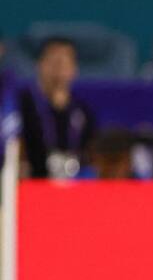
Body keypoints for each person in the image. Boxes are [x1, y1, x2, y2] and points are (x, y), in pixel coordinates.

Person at [17, 38, 96, 179]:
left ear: (74, 69)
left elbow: (91, 156)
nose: (58, 66)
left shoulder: (83, 112)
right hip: (31, 186)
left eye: (65, 61)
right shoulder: (21, 106)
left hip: (73, 188)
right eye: (53, 60)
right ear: (39, 65)